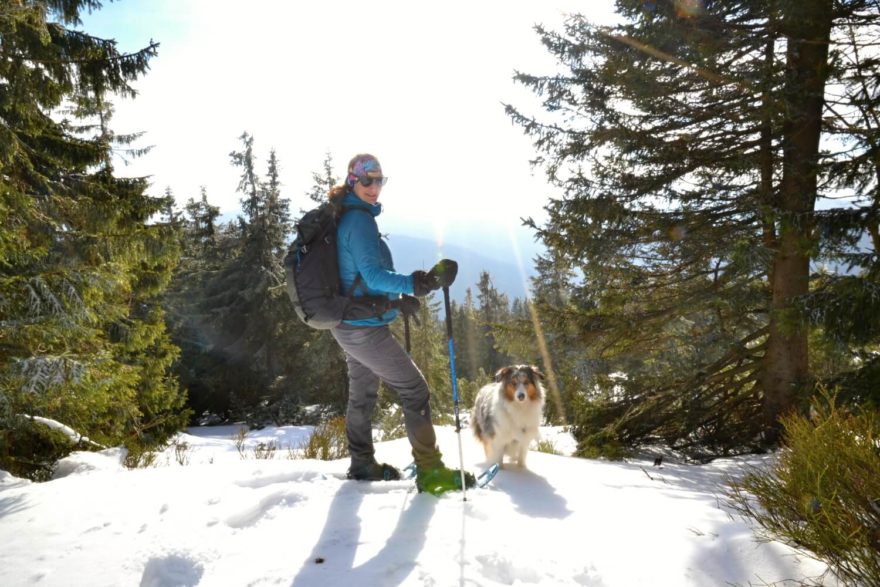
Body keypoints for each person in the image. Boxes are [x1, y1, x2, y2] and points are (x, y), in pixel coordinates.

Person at [328, 153, 475, 495]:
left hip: (348, 323)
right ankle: (431, 471)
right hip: (363, 329)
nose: (375, 187)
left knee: (362, 391)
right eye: (368, 180)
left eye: (380, 180)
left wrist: (394, 302)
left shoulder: (348, 216)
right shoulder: (359, 221)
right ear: (353, 181)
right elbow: (373, 274)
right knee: (415, 389)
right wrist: (418, 283)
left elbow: (356, 278)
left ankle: (362, 464)